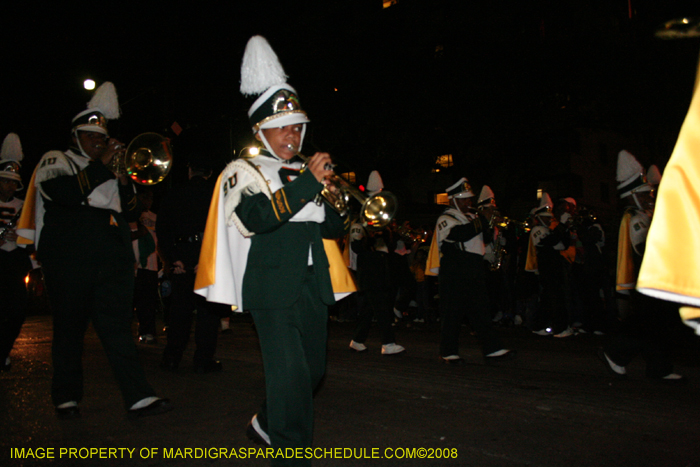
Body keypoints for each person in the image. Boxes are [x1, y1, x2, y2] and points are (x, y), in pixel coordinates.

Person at [194, 36, 352, 464]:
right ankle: (289, 447)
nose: (293, 135)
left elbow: (336, 228)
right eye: (283, 126)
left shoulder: (306, 174)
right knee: (289, 377)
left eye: (298, 126)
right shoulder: (240, 170)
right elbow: (257, 219)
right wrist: (307, 186)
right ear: (260, 129)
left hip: (312, 284)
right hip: (270, 285)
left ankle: (265, 423)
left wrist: (333, 197)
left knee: (311, 373)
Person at [17, 82, 172, 419]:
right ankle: (66, 397)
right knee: (70, 329)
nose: (99, 142)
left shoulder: (109, 169)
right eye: (91, 137)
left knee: (117, 329)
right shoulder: (55, 159)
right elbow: (66, 194)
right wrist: (103, 165)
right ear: (75, 137)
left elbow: (130, 211)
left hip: (111, 256)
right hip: (69, 257)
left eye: (102, 137)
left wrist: (123, 179)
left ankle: (138, 396)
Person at [599, 150, 685, 384]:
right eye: (645, 194)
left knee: (659, 323)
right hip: (645, 280)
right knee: (647, 323)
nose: (650, 198)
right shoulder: (634, 217)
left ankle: (659, 366)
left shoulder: (643, 215)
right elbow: (641, 251)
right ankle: (616, 352)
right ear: (632, 196)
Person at [428, 178, 514, 364]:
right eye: (464, 199)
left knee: (481, 311)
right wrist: (483, 220)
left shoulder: (473, 218)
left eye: (469, 199)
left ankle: (492, 349)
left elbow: (486, 239)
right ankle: (448, 352)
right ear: (453, 200)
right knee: (452, 313)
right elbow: (458, 235)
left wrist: (492, 222)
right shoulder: (446, 218)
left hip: (474, 267)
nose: (469, 202)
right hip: (455, 268)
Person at [158, 155, 224, 373]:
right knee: (208, 313)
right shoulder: (217, 193)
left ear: (189, 170)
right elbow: (223, 230)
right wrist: (209, 259)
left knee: (179, 310)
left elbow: (163, 228)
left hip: (181, 254)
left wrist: (171, 257)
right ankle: (203, 359)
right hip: (205, 254)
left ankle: (172, 357)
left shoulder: (174, 192)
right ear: (209, 173)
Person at [0, 133, 33, 372]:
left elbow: (31, 238)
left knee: (18, 310)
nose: (10, 185)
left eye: (13, 182)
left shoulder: (24, 206)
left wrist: (19, 239)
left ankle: (3, 351)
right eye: (5, 180)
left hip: (14, 263)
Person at [349, 231, 406, 354]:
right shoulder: (363, 230)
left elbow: (391, 245)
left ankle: (357, 341)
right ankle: (388, 343)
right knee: (382, 311)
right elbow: (357, 247)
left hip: (375, 275)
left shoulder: (380, 233)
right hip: (372, 277)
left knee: (368, 311)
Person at [526, 193, 573, 337]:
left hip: (554, 268)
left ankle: (539, 325)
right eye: (545, 217)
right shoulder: (537, 230)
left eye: (549, 216)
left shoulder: (550, 230)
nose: (549, 219)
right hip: (547, 269)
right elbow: (549, 242)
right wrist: (562, 226)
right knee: (555, 298)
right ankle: (560, 328)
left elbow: (562, 245)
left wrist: (565, 228)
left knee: (548, 299)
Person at [131, 189, 159, 344]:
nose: (148, 201)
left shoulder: (155, 218)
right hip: (133, 266)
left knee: (148, 302)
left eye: (150, 197)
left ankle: (147, 332)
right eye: (144, 196)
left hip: (151, 266)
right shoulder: (129, 217)